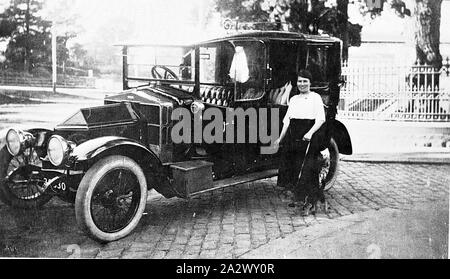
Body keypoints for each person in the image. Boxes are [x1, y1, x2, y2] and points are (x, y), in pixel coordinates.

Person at [274, 70, 326, 216]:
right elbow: (287, 121)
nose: (302, 84)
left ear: (310, 83)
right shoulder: (294, 99)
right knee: (295, 168)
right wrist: (280, 138)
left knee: (308, 168)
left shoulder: (315, 97)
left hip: (309, 134)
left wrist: (309, 133)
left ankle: (311, 201)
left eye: (305, 81)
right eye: (300, 81)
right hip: (294, 135)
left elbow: (320, 119)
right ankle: (300, 198)